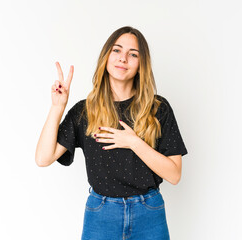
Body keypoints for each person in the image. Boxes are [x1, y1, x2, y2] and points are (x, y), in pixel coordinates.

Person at [35, 26, 188, 240]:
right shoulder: (85, 111)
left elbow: (174, 175)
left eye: (133, 54)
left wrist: (134, 142)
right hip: (101, 214)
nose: (123, 58)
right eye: (116, 50)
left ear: (141, 65)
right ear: (106, 57)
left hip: (149, 213)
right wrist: (57, 107)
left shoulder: (158, 109)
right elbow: (43, 158)